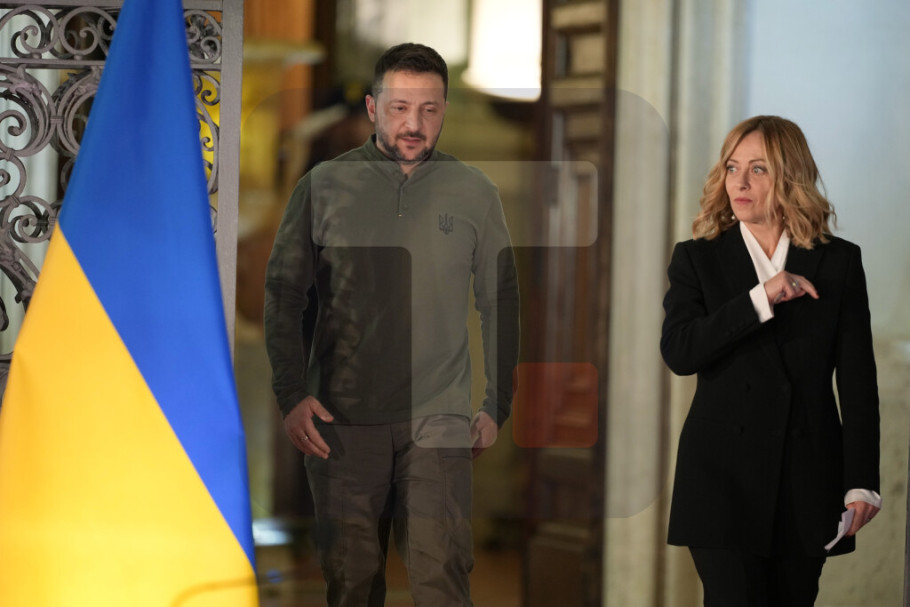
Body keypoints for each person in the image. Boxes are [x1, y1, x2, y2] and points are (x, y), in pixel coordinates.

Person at [264, 43, 519, 607]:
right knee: (351, 586)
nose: (414, 123)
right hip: (341, 420)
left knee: (442, 582)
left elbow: (500, 300)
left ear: (445, 109)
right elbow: (283, 295)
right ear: (372, 107)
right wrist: (291, 395)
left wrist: (496, 404)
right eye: (400, 107)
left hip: (439, 419)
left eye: (429, 108)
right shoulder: (321, 187)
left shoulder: (475, 192)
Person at [660, 115, 880, 606]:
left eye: (758, 169)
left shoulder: (839, 261)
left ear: (790, 177)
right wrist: (761, 298)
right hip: (720, 483)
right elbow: (680, 351)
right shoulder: (697, 258)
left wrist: (862, 482)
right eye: (732, 167)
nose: (739, 182)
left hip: (806, 481)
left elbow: (858, 381)